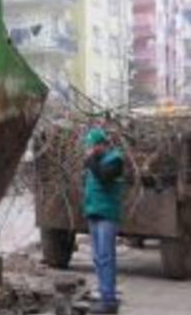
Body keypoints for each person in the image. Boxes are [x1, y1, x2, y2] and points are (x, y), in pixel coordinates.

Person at [83, 127, 124, 314]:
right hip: (93, 212)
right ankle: (103, 293)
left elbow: (104, 176)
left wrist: (90, 159)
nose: (89, 149)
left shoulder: (115, 160)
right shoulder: (96, 160)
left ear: (101, 145)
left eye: (92, 146)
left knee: (106, 256)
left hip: (107, 214)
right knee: (98, 257)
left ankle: (109, 299)